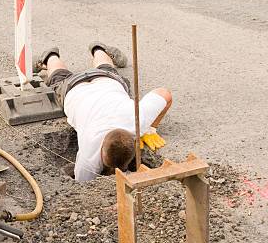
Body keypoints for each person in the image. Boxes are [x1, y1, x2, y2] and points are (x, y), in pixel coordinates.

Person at [35, 43, 172, 182]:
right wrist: (151, 127)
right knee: (58, 78)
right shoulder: (89, 157)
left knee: (103, 69)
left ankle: (95, 50)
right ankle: (51, 57)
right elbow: (82, 183)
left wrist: (150, 128)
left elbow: (164, 94)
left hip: (104, 80)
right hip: (74, 88)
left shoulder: (139, 122)